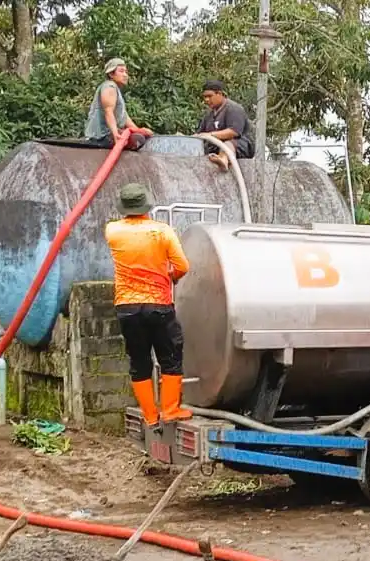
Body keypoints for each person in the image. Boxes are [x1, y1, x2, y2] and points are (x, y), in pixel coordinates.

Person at [105, 183, 194, 426]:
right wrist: (170, 276)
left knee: (139, 359)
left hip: (127, 306)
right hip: (158, 304)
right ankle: (169, 410)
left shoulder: (112, 231)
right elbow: (183, 266)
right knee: (170, 354)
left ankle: (150, 415)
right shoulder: (162, 232)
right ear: (147, 205)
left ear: (124, 207)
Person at [84, 57, 154, 150]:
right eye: (121, 71)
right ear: (111, 74)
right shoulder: (109, 86)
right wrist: (116, 134)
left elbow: (124, 117)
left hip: (109, 134)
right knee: (137, 140)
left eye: (126, 72)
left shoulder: (116, 90)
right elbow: (108, 111)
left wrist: (139, 130)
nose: (125, 75)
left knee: (142, 136)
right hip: (101, 136)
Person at [195, 79, 255, 170]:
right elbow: (200, 134)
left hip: (239, 145)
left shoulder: (234, 109)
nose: (206, 100)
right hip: (216, 147)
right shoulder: (208, 114)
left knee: (228, 143)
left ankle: (224, 159)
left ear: (219, 94)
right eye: (205, 97)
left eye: (210, 96)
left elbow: (233, 132)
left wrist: (210, 135)